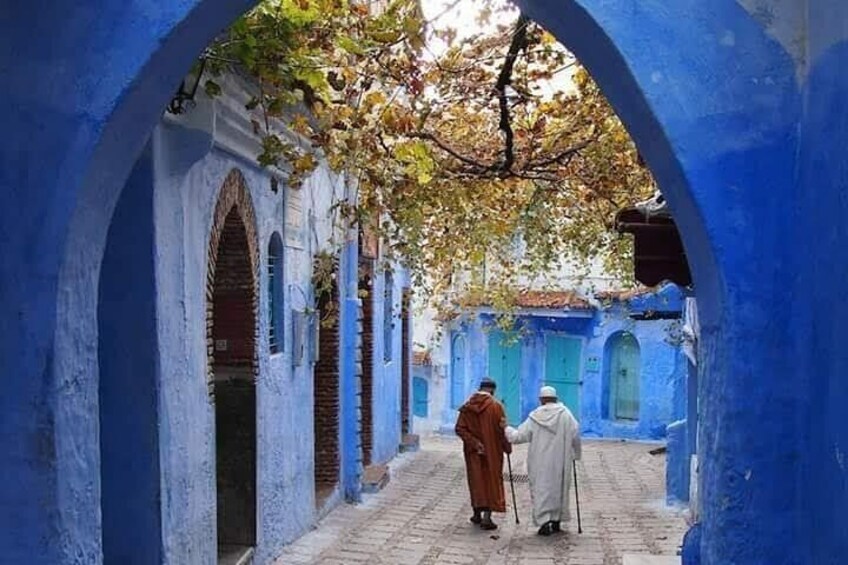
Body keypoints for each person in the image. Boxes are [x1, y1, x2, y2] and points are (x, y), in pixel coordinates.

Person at [506, 385, 581, 536]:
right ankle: (557, 520)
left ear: (541, 400)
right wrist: (575, 454)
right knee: (559, 488)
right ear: (556, 398)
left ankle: (544, 522)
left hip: (539, 461)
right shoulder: (566, 415)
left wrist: (506, 429)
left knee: (542, 490)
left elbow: (519, 436)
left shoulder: (534, 416)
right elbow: (575, 435)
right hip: (560, 460)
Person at [454, 377, 512, 530]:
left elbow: (459, 428)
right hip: (492, 452)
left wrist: (474, 443)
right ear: (492, 390)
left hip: (473, 452)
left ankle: (476, 514)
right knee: (491, 481)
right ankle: (487, 518)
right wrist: (507, 447)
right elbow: (502, 429)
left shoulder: (467, 406)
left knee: (476, 481)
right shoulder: (496, 407)